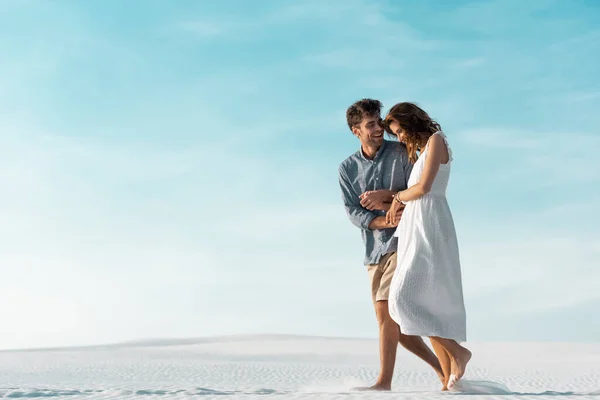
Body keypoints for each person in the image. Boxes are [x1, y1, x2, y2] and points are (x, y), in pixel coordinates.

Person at [338, 98, 444, 391]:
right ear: (355, 130)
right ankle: (443, 369)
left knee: (387, 310)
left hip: (404, 240)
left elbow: (421, 186)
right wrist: (381, 220)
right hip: (373, 250)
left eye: (379, 123)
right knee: (393, 325)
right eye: (370, 125)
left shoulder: (401, 151)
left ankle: (383, 383)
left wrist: (388, 196)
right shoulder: (347, 169)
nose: (378, 130)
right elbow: (352, 211)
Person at [383, 102, 471, 391]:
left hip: (430, 224)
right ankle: (449, 383)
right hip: (416, 225)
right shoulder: (423, 149)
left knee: (401, 298)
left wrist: (396, 197)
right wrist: (399, 204)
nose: (400, 138)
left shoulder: (437, 140)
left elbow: (424, 187)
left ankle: (458, 352)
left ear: (411, 121)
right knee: (422, 301)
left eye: (400, 131)